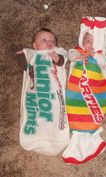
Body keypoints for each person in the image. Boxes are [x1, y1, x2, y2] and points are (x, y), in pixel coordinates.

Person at [62, 16, 106, 164]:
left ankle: (85, 133)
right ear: (82, 41)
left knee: (93, 105)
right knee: (73, 105)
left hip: (95, 88)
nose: (90, 44)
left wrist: (95, 55)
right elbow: (70, 55)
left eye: (94, 42)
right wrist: (79, 55)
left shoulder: (101, 55)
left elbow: (104, 62)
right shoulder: (76, 51)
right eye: (88, 40)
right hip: (78, 89)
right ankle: (82, 133)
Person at [16, 28, 70, 156]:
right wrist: (20, 56)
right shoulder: (32, 55)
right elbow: (24, 64)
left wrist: (57, 59)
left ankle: (55, 135)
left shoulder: (56, 52)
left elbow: (63, 60)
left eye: (52, 40)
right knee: (33, 110)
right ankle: (36, 135)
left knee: (55, 110)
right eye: (44, 40)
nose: (49, 43)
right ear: (34, 45)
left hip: (52, 93)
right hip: (37, 93)